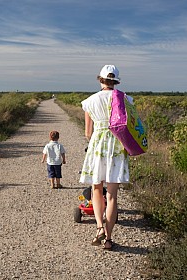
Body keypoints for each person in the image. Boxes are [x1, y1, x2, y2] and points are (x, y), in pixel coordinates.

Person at [79, 65, 132, 250]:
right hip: (117, 146)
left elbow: (87, 132)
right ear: (116, 81)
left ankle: (99, 228)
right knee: (112, 197)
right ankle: (109, 240)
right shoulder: (124, 99)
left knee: (96, 190)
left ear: (100, 79)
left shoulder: (90, 101)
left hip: (98, 145)